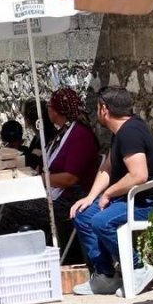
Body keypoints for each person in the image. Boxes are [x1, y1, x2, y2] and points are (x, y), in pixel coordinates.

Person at [70, 86, 153, 296]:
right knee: (82, 214)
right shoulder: (120, 133)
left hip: (152, 203)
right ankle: (105, 275)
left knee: (101, 221)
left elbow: (139, 175)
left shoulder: (130, 133)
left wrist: (108, 194)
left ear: (104, 109)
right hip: (134, 200)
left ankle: (137, 268)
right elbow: (107, 167)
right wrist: (90, 197)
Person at [44, 88, 102, 245]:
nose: (47, 108)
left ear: (57, 110)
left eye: (50, 104)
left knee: (13, 208)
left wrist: (43, 179)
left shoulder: (80, 135)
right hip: (60, 193)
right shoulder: (63, 132)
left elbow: (70, 178)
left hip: (72, 197)